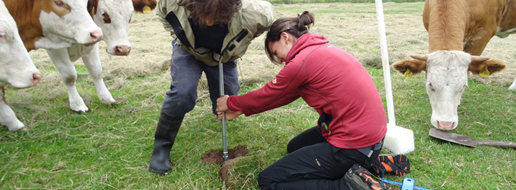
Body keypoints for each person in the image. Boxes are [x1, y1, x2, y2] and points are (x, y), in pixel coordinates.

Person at [216, 11, 410, 190]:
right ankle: (370, 161)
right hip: (370, 138)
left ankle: (347, 184)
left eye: (276, 53)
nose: (281, 61)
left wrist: (231, 103)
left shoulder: (302, 62)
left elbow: (270, 92)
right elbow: (284, 96)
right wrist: (243, 109)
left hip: (352, 145)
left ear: (284, 37)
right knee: (294, 148)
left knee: (268, 180)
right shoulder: (321, 49)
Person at [149, 0, 274, 175]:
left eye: (217, 17)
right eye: (203, 15)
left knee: (229, 97)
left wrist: (237, 46)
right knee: (182, 93)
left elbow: (263, 24)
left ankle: (216, 112)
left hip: (223, 56)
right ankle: (162, 147)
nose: (209, 22)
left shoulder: (257, 12)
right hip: (188, 50)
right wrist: (178, 36)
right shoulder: (172, 2)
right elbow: (163, 15)